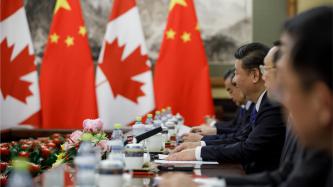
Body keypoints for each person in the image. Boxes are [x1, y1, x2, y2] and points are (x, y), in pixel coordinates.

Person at [160, 6, 333, 187]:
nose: (284, 104)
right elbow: (283, 179)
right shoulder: (320, 143)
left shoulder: (277, 110)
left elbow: (249, 149)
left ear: (321, 103)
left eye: (286, 87)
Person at [167, 42, 286, 174]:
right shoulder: (263, 103)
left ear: (254, 75)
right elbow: (241, 138)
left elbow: (247, 149)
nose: (234, 80)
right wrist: (199, 145)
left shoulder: (272, 106)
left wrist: (197, 151)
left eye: (236, 73)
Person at [181, 68, 252, 142]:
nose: (230, 96)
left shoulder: (255, 107)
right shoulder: (245, 105)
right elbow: (235, 129)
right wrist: (211, 129)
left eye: (231, 91)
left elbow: (239, 137)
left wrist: (204, 138)